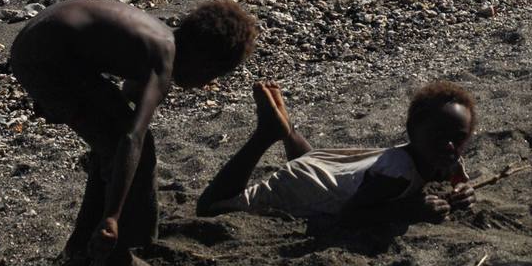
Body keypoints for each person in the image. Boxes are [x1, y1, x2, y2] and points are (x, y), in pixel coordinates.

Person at [10, 0, 257, 266]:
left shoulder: (159, 39)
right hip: (46, 59)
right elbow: (133, 138)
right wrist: (113, 215)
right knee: (136, 152)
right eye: (211, 75)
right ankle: (119, 249)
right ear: (204, 59)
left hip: (41, 43)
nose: (204, 85)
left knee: (110, 146)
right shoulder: (162, 61)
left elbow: (123, 100)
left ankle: (80, 247)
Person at [196, 80, 476, 225]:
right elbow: (352, 215)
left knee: (314, 165)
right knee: (211, 207)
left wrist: (463, 187)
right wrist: (409, 210)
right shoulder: (398, 177)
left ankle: (288, 130)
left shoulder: (437, 156)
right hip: (303, 184)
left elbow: (455, 172)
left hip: (326, 166)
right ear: (412, 133)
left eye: (458, 139)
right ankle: (265, 135)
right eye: (439, 138)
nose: (450, 146)